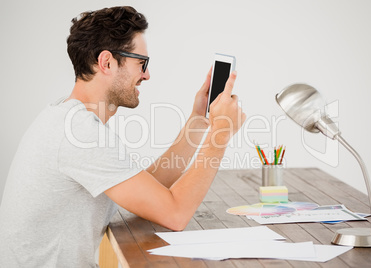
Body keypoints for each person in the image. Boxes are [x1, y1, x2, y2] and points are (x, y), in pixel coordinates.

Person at [0, 6, 245, 267]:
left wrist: (199, 120)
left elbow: (149, 189)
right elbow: (175, 214)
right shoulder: (80, 134)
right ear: (107, 62)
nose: (147, 75)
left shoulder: (69, 118)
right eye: (141, 63)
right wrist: (220, 134)